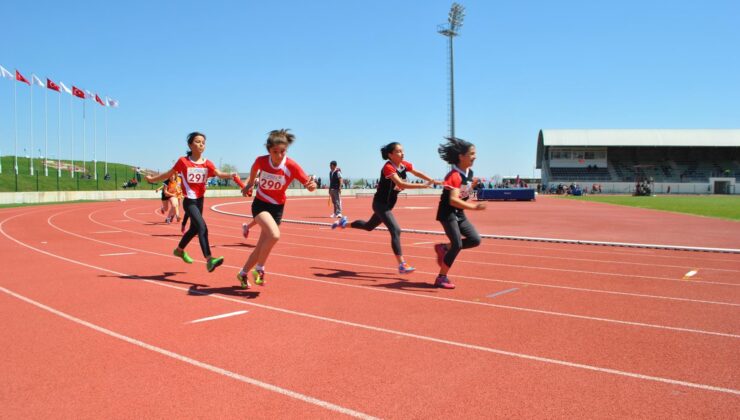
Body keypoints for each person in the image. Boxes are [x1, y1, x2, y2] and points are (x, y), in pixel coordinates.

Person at [335, 141, 440, 274]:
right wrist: (423, 186)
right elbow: (401, 183)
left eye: (403, 150)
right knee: (396, 230)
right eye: (399, 151)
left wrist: (433, 180)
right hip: (380, 204)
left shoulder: (403, 165)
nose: (403, 153)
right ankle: (402, 264)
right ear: (390, 155)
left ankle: (345, 223)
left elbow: (417, 172)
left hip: (388, 205)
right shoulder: (388, 168)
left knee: (369, 226)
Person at [236, 129, 317, 289]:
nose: (279, 155)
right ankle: (260, 269)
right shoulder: (261, 161)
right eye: (275, 152)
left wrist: (312, 185)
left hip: (278, 208)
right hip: (260, 204)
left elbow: (309, 184)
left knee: (261, 247)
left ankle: (243, 273)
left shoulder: (291, 165)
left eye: (282, 151)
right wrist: (250, 184)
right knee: (274, 235)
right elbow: (253, 172)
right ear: (268, 150)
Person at [145, 131, 234, 273]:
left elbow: (218, 173)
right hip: (189, 201)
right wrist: (152, 179)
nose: (201, 144)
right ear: (190, 145)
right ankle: (210, 259)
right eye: (198, 142)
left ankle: (179, 250)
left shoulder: (207, 163)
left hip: (200, 201)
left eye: (203, 142)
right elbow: (168, 174)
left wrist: (231, 175)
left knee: (193, 229)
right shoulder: (183, 162)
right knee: (202, 228)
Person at [433, 137, 486, 289]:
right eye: (471, 153)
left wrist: (471, 187)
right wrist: (475, 208)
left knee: (475, 240)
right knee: (457, 244)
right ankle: (441, 277)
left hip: (459, 213)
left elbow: (463, 195)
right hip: (448, 213)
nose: (475, 156)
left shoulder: (469, 173)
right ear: (461, 156)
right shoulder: (453, 176)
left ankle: (443, 248)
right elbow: (453, 200)